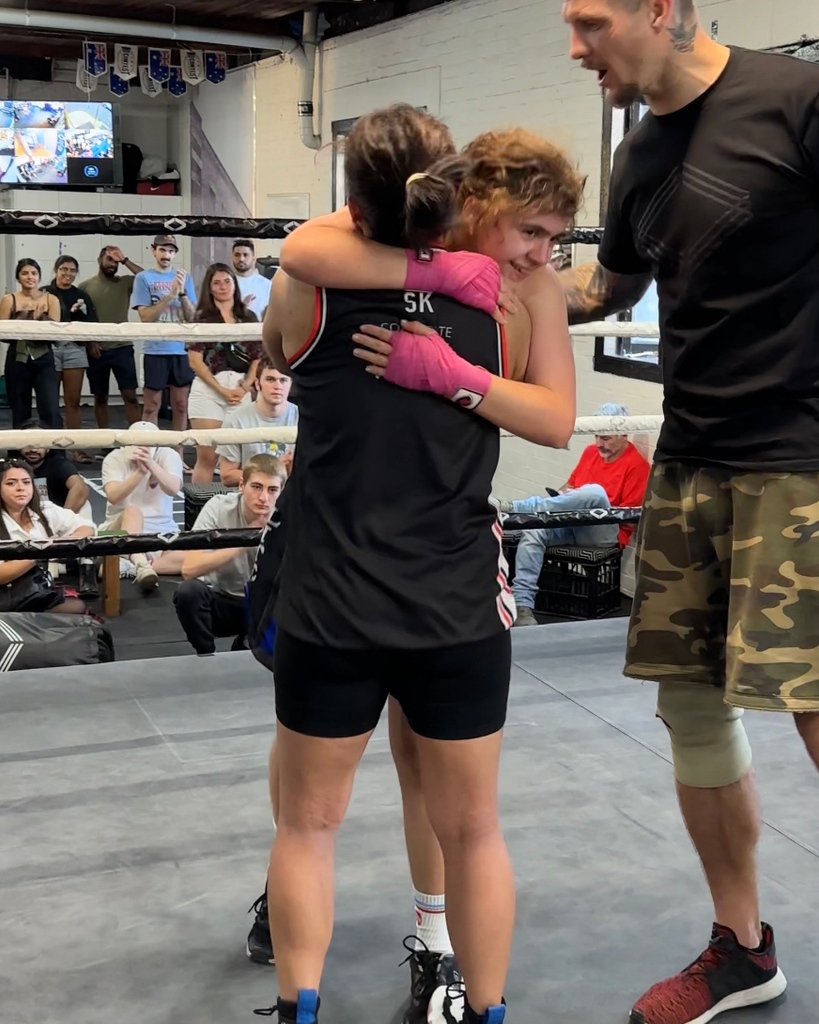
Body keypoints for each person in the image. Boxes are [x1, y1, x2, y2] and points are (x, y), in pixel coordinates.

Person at [259, 104, 582, 1024]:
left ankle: (319, 1000)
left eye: (554, 240)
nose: (539, 255)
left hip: (345, 593)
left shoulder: (321, 279)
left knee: (308, 823)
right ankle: (475, 1004)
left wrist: (451, 373)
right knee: (464, 825)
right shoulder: (507, 298)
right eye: (531, 232)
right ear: (466, 200)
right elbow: (307, 252)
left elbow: (282, 328)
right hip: (440, 601)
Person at [559, 2, 819, 1022]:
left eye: (590, 22)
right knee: (695, 712)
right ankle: (742, 947)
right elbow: (611, 290)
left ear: (660, 9)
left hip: (799, 461)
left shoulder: (796, 101)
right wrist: (494, 273)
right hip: (692, 464)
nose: (575, 48)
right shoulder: (638, 158)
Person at [500, 402, 650, 625]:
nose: (599, 443)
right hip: (574, 523)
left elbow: (629, 518)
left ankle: (523, 508)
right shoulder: (591, 452)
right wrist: (561, 499)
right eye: (597, 436)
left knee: (595, 492)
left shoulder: (637, 466)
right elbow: (569, 487)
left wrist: (590, 500)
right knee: (534, 528)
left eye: (606, 438)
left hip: (605, 533)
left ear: (623, 435)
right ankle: (523, 606)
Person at [174, 454, 285, 654]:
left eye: (272, 490)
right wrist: (245, 540)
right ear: (241, 485)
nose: (263, 498)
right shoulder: (218, 507)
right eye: (257, 487)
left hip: (268, 604)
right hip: (225, 600)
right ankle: (206, 654)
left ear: (281, 491)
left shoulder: (288, 516)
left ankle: (252, 641)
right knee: (189, 593)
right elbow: (189, 569)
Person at [188, 263, 261, 483]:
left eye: (227, 281)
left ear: (235, 284)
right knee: (207, 458)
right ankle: (200, 513)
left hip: (241, 388)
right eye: (217, 283)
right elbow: (195, 360)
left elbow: (259, 356)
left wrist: (245, 386)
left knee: (241, 459)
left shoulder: (249, 317)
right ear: (209, 288)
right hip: (209, 389)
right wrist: (220, 390)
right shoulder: (201, 318)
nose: (223, 287)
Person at [100, 421, 185, 593]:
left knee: (194, 558)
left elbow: (173, 488)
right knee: (133, 511)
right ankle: (139, 562)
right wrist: (140, 473)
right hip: (118, 530)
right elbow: (114, 496)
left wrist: (151, 465)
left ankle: (135, 566)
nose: (142, 448)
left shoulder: (169, 455)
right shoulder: (114, 458)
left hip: (162, 530)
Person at [0, 459, 93, 615]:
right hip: (4, 596)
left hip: (36, 591)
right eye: (11, 483)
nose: (20, 488)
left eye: (26, 482)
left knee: (77, 608)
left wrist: (60, 544)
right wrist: (42, 552)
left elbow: (87, 528)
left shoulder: (45, 510)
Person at [132, 234, 197, 431]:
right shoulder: (143, 278)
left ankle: (178, 456)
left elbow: (192, 317)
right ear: (153, 251)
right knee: (152, 406)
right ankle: (150, 453)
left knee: (181, 405)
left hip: (180, 350)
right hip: (154, 350)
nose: (166, 255)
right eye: (162, 250)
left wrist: (182, 292)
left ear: (175, 253)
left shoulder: (185, 278)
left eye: (170, 251)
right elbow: (145, 316)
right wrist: (169, 296)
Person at [79, 245, 144, 429]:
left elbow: (147, 279)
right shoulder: (85, 287)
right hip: (96, 350)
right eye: (109, 259)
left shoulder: (125, 282)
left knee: (130, 397)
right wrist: (90, 341)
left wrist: (125, 260)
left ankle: (137, 440)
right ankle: (105, 441)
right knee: (100, 398)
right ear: (99, 261)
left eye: (116, 261)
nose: (112, 264)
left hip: (122, 347)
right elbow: (80, 318)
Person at [44, 255, 98, 464]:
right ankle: (50, 448)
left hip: (75, 347)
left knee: (73, 401)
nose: (68, 274)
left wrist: (79, 314)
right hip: (50, 347)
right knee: (49, 402)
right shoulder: (45, 292)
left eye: (72, 270)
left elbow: (93, 322)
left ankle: (75, 448)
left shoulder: (81, 295)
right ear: (56, 271)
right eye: (64, 269)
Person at [216, 356, 298, 487]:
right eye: (270, 379)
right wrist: (273, 470)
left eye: (283, 380)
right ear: (257, 384)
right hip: (253, 499)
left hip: (295, 496)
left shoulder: (303, 418)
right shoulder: (236, 421)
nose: (277, 386)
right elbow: (227, 476)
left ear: (290, 384)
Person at [0, 259, 62, 428]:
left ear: (39, 277)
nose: (30, 277)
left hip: (44, 358)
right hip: (17, 359)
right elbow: (3, 334)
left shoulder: (51, 300)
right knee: (20, 409)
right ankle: (18, 452)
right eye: (25, 273)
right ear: (18, 277)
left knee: (50, 408)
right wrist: (26, 318)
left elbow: (55, 334)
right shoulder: (9, 300)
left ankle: (55, 454)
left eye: (34, 273)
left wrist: (41, 318)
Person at [232, 239, 272, 319]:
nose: (241, 259)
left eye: (245, 255)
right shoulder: (227, 284)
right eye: (237, 255)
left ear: (254, 259)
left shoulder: (267, 285)